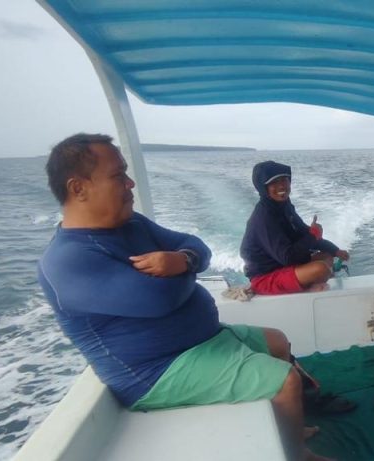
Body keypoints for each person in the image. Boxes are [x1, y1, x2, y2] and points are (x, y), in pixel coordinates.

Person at [37, 134, 328, 461]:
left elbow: (198, 247)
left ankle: (289, 424)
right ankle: (297, 455)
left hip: (200, 342)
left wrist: (182, 261)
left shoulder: (132, 224)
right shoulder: (68, 259)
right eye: (118, 175)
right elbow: (158, 300)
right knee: (286, 381)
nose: (130, 183)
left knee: (278, 341)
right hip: (156, 371)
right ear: (78, 188)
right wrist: (189, 268)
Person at [240, 160, 350, 295]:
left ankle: (311, 285)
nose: (281, 186)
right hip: (265, 277)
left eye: (284, 180)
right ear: (264, 188)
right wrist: (312, 235)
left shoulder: (284, 206)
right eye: (274, 182)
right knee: (321, 269)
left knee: (327, 256)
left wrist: (335, 250)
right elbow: (289, 257)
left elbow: (304, 233)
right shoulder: (264, 217)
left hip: (282, 265)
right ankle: (309, 288)